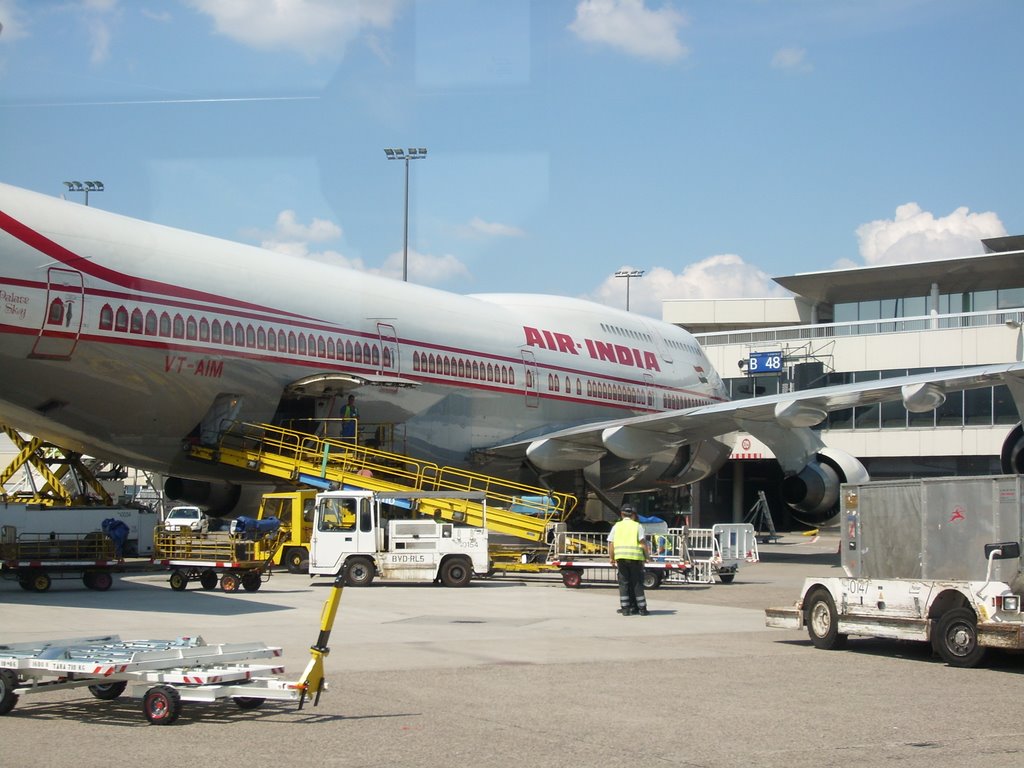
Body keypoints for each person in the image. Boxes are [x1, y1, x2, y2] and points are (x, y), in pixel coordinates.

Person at [608, 504, 651, 616]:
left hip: (621, 559)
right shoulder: (637, 526)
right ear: (632, 514)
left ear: (622, 514)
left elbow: (611, 544)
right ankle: (642, 608)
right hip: (635, 559)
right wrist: (647, 557)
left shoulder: (616, 526)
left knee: (624, 583)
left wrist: (611, 558)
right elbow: (642, 543)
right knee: (637, 583)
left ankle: (625, 609)